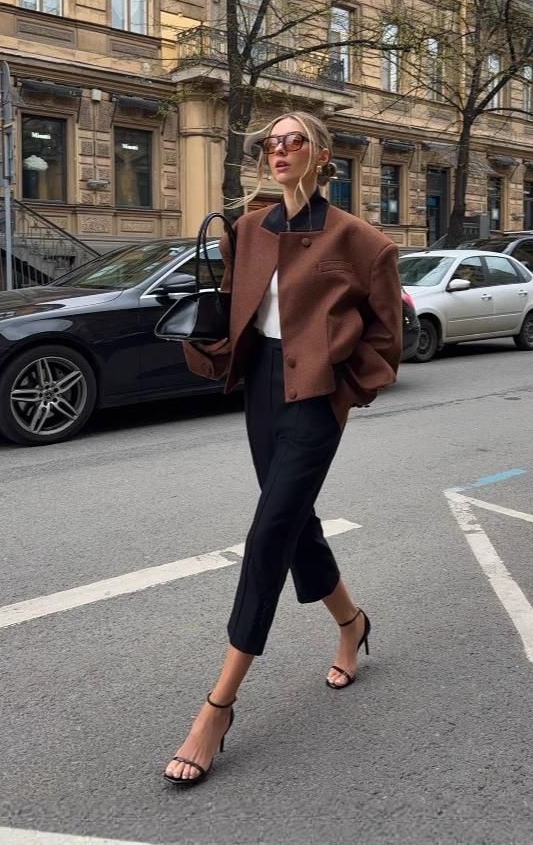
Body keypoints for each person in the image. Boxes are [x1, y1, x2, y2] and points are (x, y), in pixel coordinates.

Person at [163, 111, 402, 787]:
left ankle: (217, 707)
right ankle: (352, 623)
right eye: (271, 141)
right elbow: (239, 308)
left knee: (268, 533)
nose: (280, 150)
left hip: (315, 396)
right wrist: (210, 345)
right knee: (295, 524)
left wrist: (341, 391)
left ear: (321, 155)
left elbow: (386, 339)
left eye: (295, 140)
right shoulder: (249, 229)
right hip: (262, 387)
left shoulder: (361, 242)